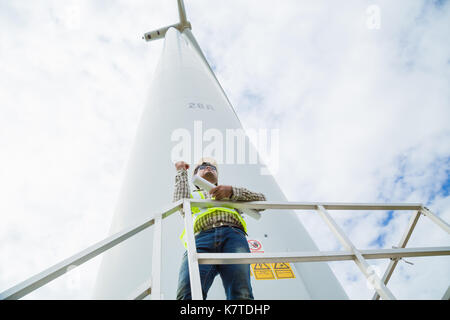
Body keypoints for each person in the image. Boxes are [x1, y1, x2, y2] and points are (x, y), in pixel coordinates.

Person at [173, 157, 266, 300]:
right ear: (195, 175)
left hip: (232, 235)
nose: (209, 167)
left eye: (213, 167)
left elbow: (262, 202)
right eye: (203, 166)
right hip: (200, 239)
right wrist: (181, 171)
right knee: (188, 292)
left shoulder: (230, 194)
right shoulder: (192, 195)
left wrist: (232, 192)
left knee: (241, 293)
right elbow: (180, 200)